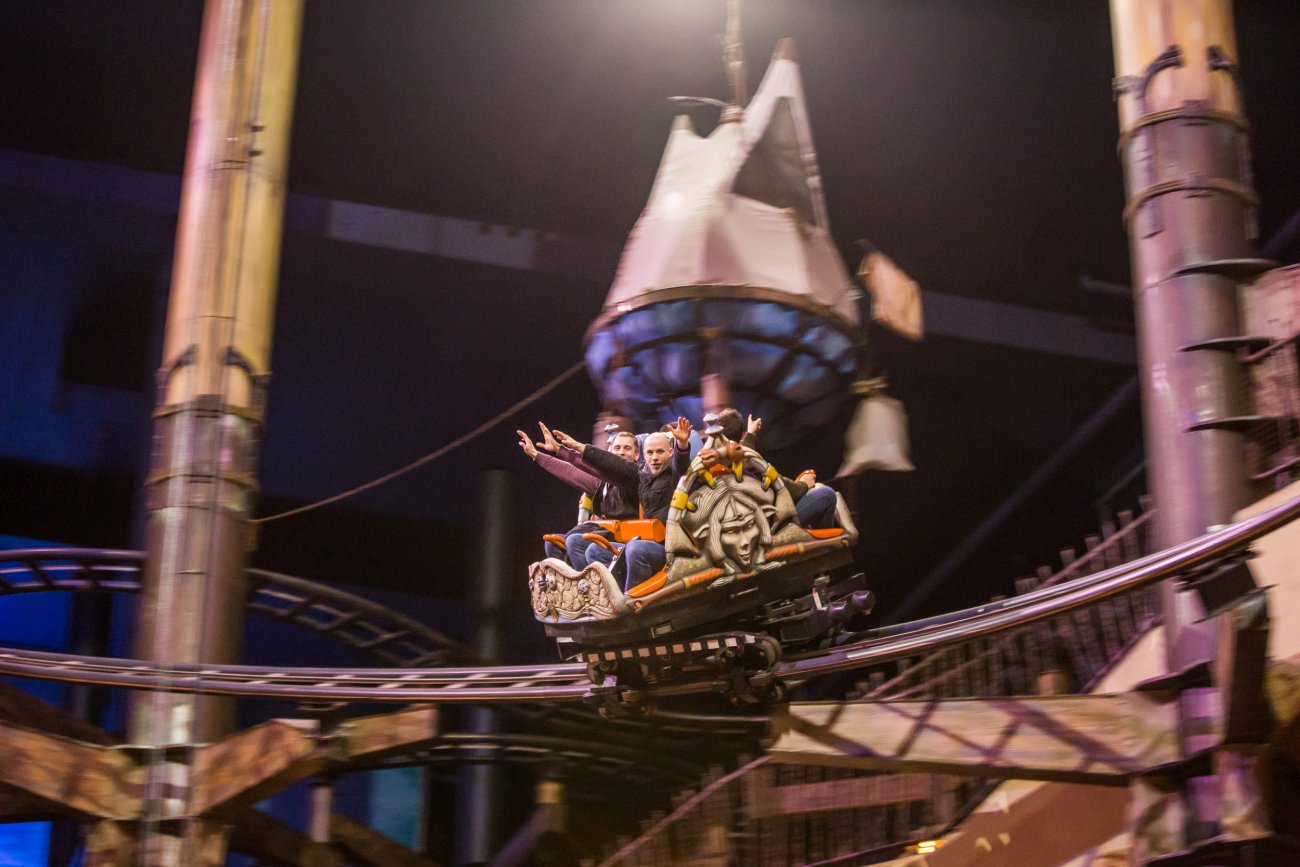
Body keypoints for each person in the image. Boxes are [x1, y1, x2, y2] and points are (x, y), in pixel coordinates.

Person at [553, 418, 693, 589]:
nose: (654, 457)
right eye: (650, 453)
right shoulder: (641, 475)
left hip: (666, 547)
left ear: (670, 452)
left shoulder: (674, 474)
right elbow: (611, 463)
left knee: (634, 548)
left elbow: (681, 464)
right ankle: (602, 594)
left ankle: (628, 599)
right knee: (593, 550)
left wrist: (682, 444)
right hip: (642, 539)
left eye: (660, 452)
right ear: (644, 454)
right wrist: (571, 448)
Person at [517, 424, 638, 569]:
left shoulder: (637, 477)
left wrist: (562, 450)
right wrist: (536, 455)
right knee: (553, 544)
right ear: (610, 452)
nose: (621, 452)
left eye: (627, 448)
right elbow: (571, 473)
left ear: (637, 455)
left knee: (575, 541)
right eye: (617, 448)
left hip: (627, 539)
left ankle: (588, 582)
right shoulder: (603, 482)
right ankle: (569, 581)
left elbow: (597, 467)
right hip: (607, 533)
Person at [704, 408, 839, 530]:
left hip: (750, 522)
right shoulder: (748, 463)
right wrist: (804, 484)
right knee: (827, 495)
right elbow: (783, 487)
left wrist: (750, 434)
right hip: (773, 523)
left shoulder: (710, 466)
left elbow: (737, 453)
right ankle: (826, 546)